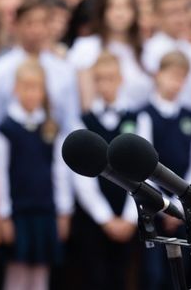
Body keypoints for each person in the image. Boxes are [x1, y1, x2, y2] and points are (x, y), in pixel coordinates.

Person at [0, 59, 72, 290]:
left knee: (40, 273)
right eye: (25, 87)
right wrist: (4, 215)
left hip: (45, 210)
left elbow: (59, 172)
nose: (30, 93)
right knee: (17, 273)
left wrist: (63, 211)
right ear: (15, 89)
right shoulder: (6, 129)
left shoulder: (51, 128)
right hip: (18, 212)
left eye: (36, 87)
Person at [135, 51, 191, 290]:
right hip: (154, 208)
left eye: (182, 77)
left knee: (181, 276)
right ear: (158, 75)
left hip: (183, 207)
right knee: (153, 274)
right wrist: (163, 205)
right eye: (172, 75)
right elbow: (142, 166)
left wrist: (182, 202)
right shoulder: (145, 114)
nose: (176, 82)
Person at [68, 52, 137, 290]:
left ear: (121, 79)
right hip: (93, 218)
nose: (106, 84)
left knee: (123, 278)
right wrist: (105, 218)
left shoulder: (137, 118)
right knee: (93, 278)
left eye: (111, 78)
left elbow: (143, 170)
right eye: (100, 78)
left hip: (127, 211)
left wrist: (129, 218)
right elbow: (81, 177)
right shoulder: (83, 121)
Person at [0, 0, 80, 133]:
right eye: (30, 23)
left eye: (43, 23)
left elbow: (71, 120)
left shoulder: (64, 70)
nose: (37, 30)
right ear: (17, 26)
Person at [68, 0, 152, 111]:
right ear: (103, 11)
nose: (120, 13)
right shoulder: (86, 47)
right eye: (113, 7)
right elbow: (86, 105)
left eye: (126, 7)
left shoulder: (147, 49)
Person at [142, 0, 191, 105]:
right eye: (172, 13)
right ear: (156, 17)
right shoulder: (147, 51)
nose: (180, 19)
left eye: (184, 11)